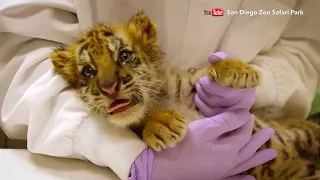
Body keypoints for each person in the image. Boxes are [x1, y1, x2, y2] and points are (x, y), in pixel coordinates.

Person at [0, 0, 319, 179]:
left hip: (262, 126)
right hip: (94, 164)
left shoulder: (164, 75)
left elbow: (303, 41)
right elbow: (17, 54)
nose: (109, 84)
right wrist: (119, 150)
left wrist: (260, 83)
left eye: (124, 56)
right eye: (89, 71)